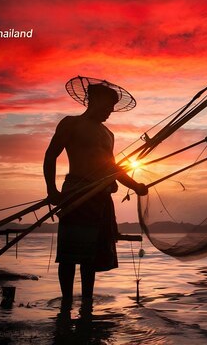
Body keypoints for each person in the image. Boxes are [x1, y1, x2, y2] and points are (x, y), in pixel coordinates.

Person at [43, 80, 147, 313]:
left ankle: (87, 305)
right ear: (95, 100)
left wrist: (136, 185)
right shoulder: (71, 124)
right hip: (76, 193)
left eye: (113, 106)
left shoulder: (108, 133)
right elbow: (51, 155)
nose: (111, 111)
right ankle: (66, 304)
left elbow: (113, 169)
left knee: (90, 256)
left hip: (99, 198)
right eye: (109, 105)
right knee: (70, 255)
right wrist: (52, 190)